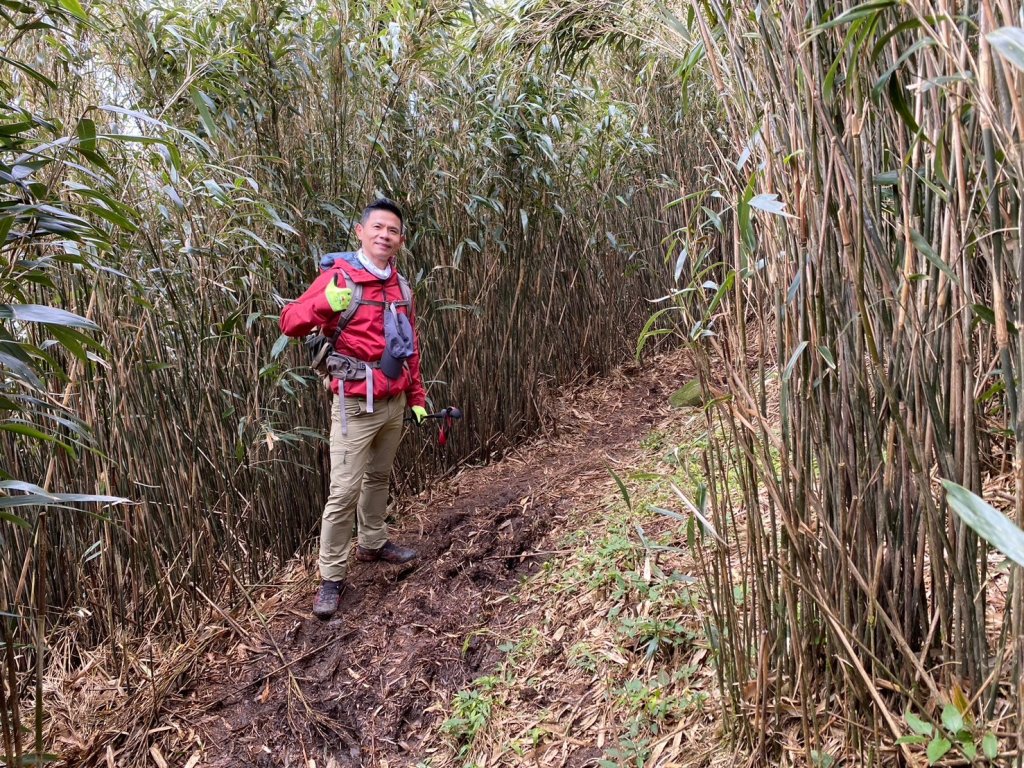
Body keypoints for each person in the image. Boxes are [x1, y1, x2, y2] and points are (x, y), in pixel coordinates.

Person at [279, 197, 428, 620]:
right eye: (377, 228)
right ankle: (331, 577)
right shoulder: (340, 279)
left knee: (379, 476)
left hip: (394, 401)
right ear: (360, 232)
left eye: (393, 230)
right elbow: (289, 322)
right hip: (354, 406)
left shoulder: (401, 288)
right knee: (343, 491)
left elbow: (410, 349)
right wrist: (327, 303)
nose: (385, 235)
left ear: (400, 240)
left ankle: (373, 543)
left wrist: (416, 399)